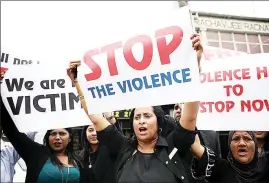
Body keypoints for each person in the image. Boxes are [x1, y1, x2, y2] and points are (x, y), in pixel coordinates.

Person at [68, 34, 203, 183]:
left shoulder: (174, 146)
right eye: (137, 117)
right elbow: (95, 117)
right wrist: (77, 83)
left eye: (146, 116)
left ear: (158, 121)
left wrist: (194, 64)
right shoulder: (123, 147)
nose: (141, 121)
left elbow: (189, 117)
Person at [1, 98, 85, 182]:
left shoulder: (79, 159)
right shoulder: (35, 153)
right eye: (53, 134)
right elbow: (11, 130)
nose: (57, 137)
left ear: (70, 138)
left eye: (62, 134)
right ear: (47, 138)